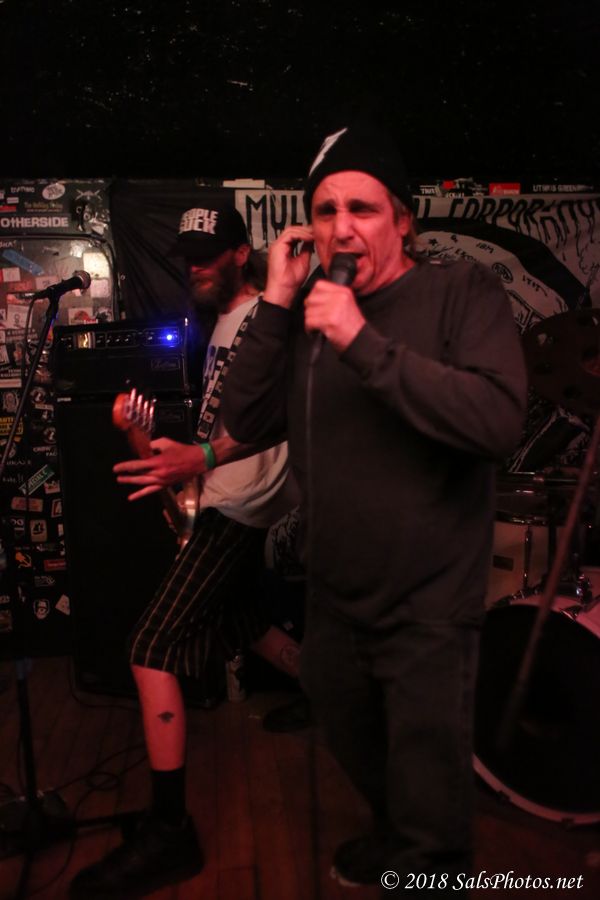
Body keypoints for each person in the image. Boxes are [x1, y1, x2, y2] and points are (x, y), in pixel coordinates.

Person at [222, 123, 528, 892]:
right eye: (325, 211)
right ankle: (398, 837)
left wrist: (361, 341)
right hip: (333, 594)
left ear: (402, 219)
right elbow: (244, 418)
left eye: (361, 207)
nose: (341, 226)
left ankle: (430, 863)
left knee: (430, 780)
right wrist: (277, 300)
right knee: (348, 729)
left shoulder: (460, 293)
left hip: (428, 599)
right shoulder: (308, 312)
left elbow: (496, 420)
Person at [70, 200, 301, 898]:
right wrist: (142, 434)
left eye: (209, 255)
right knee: (244, 623)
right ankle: (337, 695)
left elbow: (272, 422)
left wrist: (204, 469)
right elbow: (216, 426)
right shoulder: (222, 323)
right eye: (188, 258)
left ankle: (170, 830)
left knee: (151, 650)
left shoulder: (271, 317)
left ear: (242, 253)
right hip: (222, 495)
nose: (195, 267)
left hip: (239, 503)